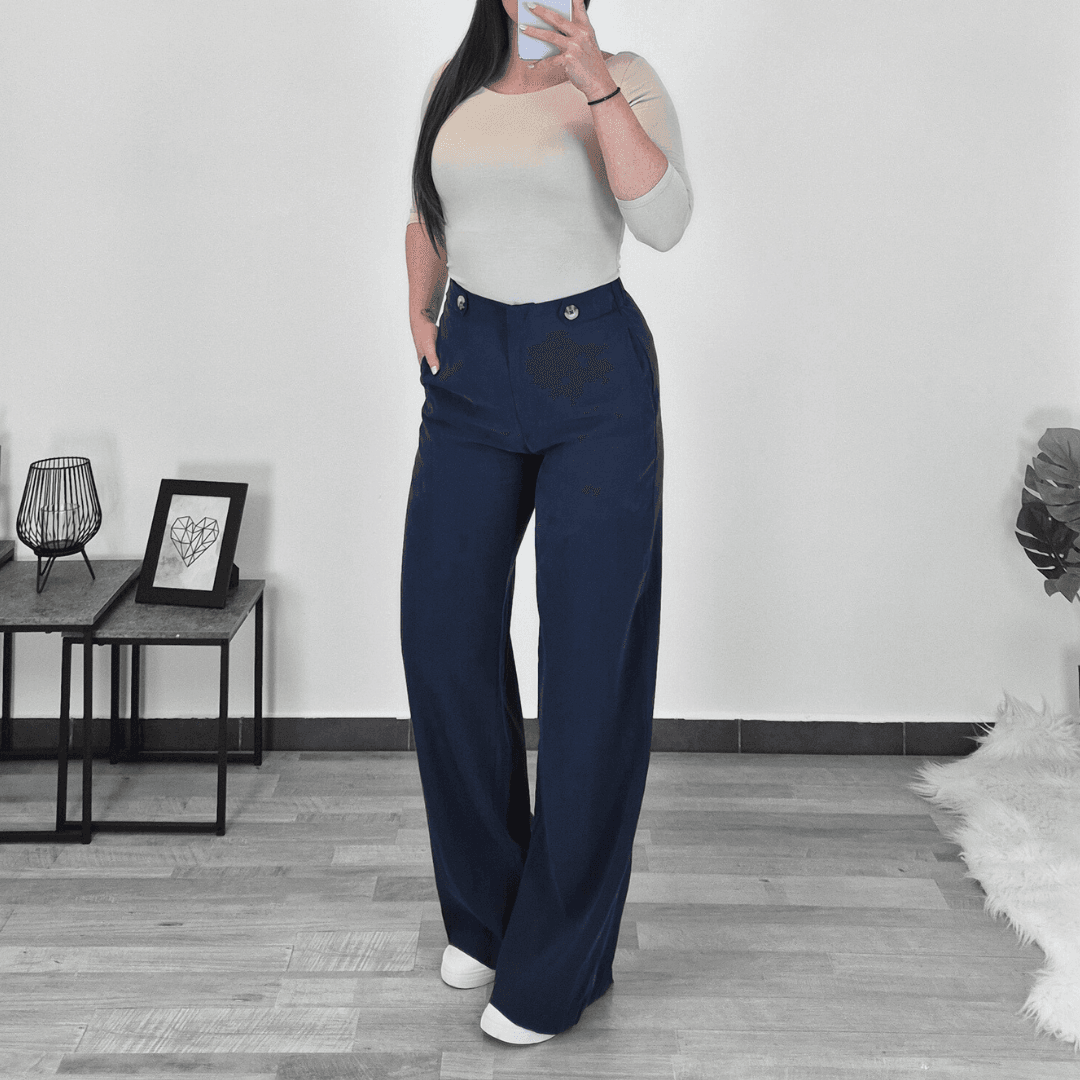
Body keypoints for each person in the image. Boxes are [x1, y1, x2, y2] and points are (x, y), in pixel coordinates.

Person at [400, 0, 692, 1045]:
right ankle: (488, 914)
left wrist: (596, 83)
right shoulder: (457, 81)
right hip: (473, 369)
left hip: (587, 362)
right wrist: (419, 309)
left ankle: (560, 962)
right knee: (442, 637)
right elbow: (428, 213)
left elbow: (665, 221)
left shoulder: (626, 74)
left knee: (587, 662)